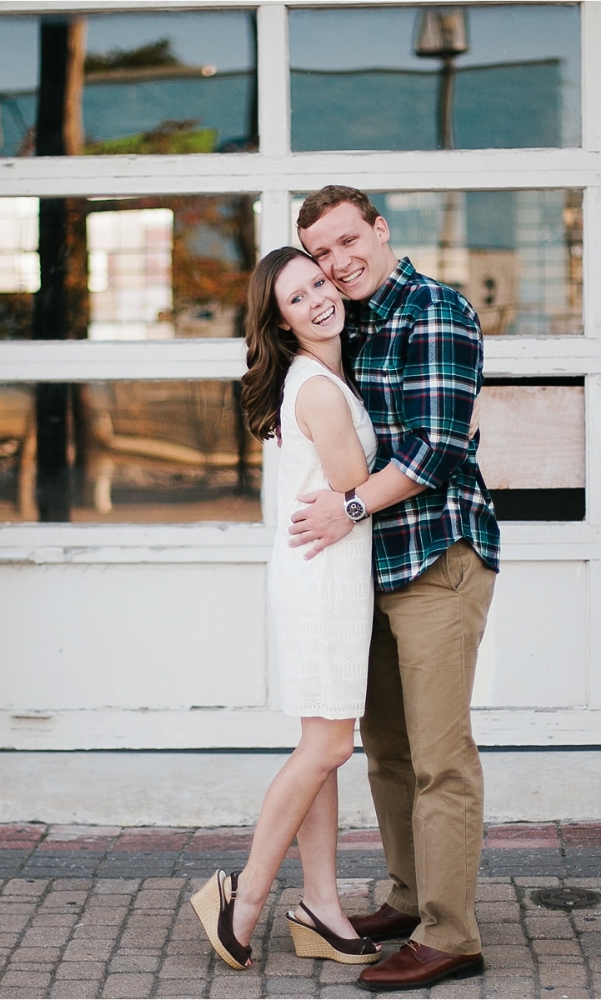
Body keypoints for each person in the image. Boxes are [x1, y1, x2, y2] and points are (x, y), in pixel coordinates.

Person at [291, 185, 500, 991]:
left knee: (440, 757)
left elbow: (437, 446)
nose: (338, 264)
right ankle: (412, 899)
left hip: (438, 558)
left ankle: (452, 935)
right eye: (321, 254)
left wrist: (346, 507)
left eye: (349, 243)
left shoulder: (433, 309)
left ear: (381, 232)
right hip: (370, 567)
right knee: (385, 750)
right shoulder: (350, 319)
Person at [188, 247, 383, 971]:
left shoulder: (319, 377)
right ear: (281, 321)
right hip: (323, 579)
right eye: (298, 298)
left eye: (319, 283)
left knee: (323, 749)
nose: (319, 299)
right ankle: (245, 895)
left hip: (316, 573)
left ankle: (323, 907)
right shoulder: (320, 390)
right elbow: (355, 483)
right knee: (328, 747)